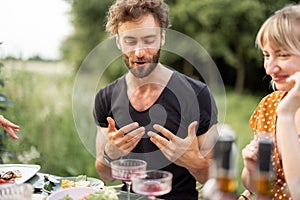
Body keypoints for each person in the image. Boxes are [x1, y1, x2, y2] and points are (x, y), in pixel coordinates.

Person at [93, 0, 218, 199]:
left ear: (162, 38)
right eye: (130, 41)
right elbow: (105, 175)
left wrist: (193, 161)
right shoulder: (105, 98)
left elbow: (217, 180)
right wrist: (110, 154)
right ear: (118, 42)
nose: (139, 52)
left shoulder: (197, 95)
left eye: (149, 40)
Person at [241, 3, 300, 200]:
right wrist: (252, 170)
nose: (270, 68)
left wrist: (286, 113)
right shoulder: (269, 105)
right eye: (267, 55)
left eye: (283, 55)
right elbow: (254, 188)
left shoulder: (282, 110)